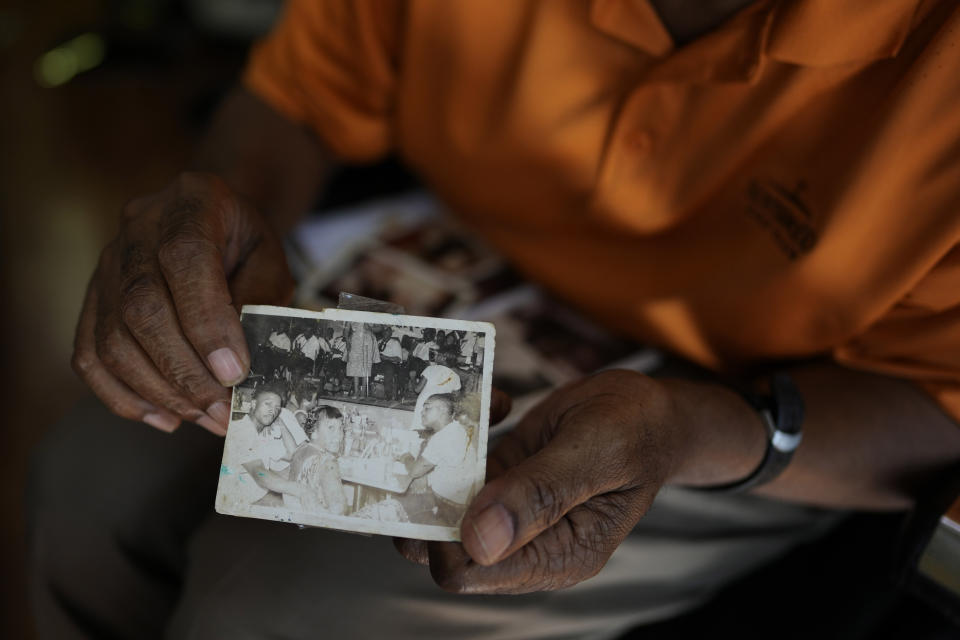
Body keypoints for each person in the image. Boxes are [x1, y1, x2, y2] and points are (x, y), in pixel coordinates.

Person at [32, 1, 960, 638]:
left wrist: (694, 432)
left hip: (741, 406)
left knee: (278, 612)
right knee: (91, 482)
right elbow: (301, 99)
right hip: (460, 258)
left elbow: (935, 412)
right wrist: (221, 225)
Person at [249, 405, 349, 516]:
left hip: (294, 515)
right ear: (314, 432)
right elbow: (338, 512)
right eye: (331, 428)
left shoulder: (300, 450)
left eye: (340, 428)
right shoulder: (327, 462)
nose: (339, 435)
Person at [221, 383, 308, 507]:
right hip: (241, 502)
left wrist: (281, 423)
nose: (273, 410)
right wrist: (299, 490)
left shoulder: (262, 434)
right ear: (253, 404)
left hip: (259, 495)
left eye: (277, 409)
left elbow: (291, 455)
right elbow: (259, 472)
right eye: (268, 404)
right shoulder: (240, 430)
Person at [399, 394, 475, 526]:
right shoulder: (454, 429)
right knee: (409, 487)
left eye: (427, 408)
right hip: (453, 498)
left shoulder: (444, 438)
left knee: (397, 495)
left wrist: (405, 456)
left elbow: (414, 471)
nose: (422, 412)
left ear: (443, 410)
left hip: (444, 505)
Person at [411, 350, 462, 431]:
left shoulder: (430, 368)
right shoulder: (456, 376)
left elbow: (417, 389)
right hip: (442, 406)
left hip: (425, 403)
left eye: (439, 355)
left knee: (418, 430)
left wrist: (412, 378)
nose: (436, 356)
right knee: (435, 433)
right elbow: (456, 398)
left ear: (444, 358)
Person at [345, 323, 380, 398]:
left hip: (367, 339)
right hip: (355, 340)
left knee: (365, 365)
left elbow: (380, 328)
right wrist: (347, 341)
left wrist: (369, 329)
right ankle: (356, 392)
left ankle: (363, 393)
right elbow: (346, 329)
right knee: (355, 366)